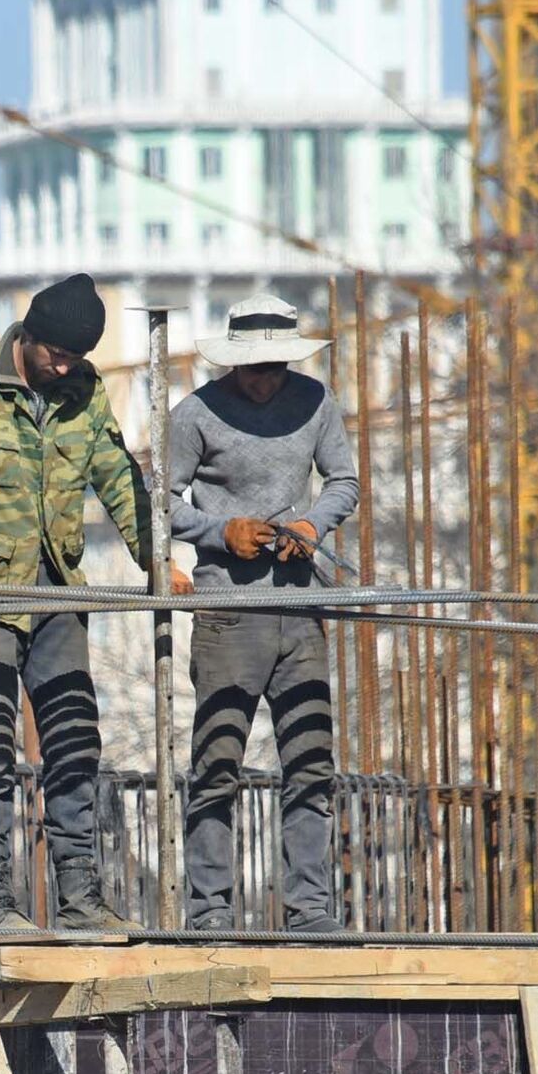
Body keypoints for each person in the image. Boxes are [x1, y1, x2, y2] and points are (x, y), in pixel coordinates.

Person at [0, 273, 188, 933]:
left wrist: (154, 558)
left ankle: (81, 899)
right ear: (28, 334)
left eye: (75, 358)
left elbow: (116, 477)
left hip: (57, 593)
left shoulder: (84, 395)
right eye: (55, 353)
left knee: (75, 742)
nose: (62, 366)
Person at [168, 296, 360, 934]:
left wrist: (311, 523)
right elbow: (157, 503)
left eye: (277, 366)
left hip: (300, 608)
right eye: (255, 369)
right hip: (228, 614)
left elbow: (343, 482)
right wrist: (224, 533)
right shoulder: (193, 415)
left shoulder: (315, 402)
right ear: (232, 364)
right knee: (217, 763)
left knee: (310, 760)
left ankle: (309, 910)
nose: (267, 379)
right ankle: (210, 912)